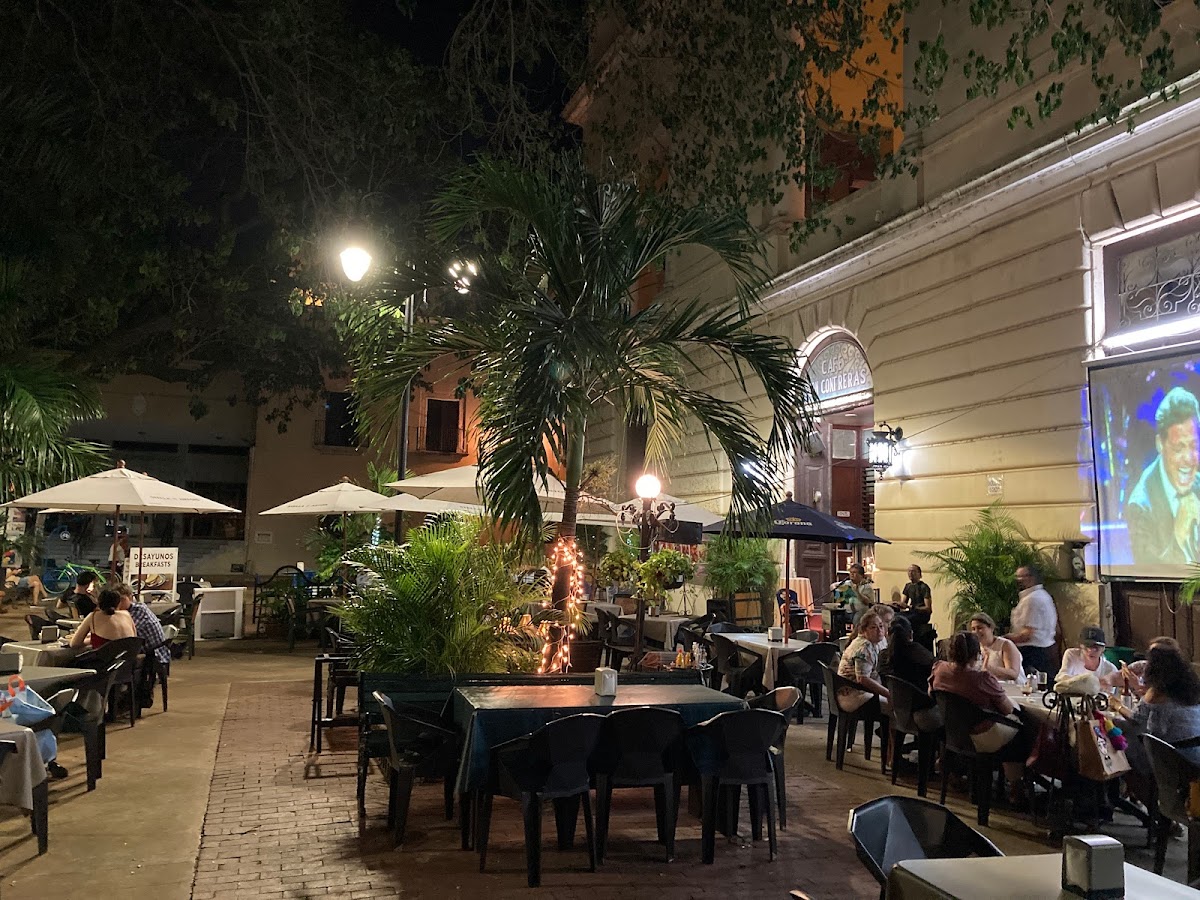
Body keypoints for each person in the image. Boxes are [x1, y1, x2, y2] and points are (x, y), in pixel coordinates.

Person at [931, 631, 1033, 802]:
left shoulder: (939, 669)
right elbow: (1007, 709)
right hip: (980, 735)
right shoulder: (982, 678)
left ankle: (958, 770)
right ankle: (1017, 788)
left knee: (1011, 731)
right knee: (1024, 733)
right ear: (976, 654)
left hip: (953, 732)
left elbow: (932, 693)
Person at [1125, 386, 1200, 566]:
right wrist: (1178, 537)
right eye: (1178, 448)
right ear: (1160, 444)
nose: (1189, 459)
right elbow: (1148, 572)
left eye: (1194, 446)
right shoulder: (1140, 506)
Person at [1112, 645, 1200, 777]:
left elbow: (1136, 719)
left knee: (1120, 731)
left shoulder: (1156, 693)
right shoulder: (1192, 689)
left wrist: (1117, 706)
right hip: (1196, 759)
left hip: (1173, 763)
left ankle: (1122, 780)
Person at [114, 583, 170, 707]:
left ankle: (129, 700)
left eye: (122, 599)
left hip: (154, 654)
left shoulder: (138, 611)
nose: (119, 603)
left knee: (117, 664)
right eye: (117, 600)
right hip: (144, 650)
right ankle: (123, 699)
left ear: (130, 597)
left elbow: (126, 635)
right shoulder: (128, 611)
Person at [1005, 564, 1059, 674]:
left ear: (1031, 578)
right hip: (1044, 649)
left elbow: (1027, 634)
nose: (1017, 580)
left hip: (1033, 653)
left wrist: (1003, 640)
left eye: (1020, 577)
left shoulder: (1032, 599)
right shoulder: (1043, 595)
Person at [836, 611, 890, 713]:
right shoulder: (864, 647)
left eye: (881, 626)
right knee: (898, 706)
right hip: (853, 694)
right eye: (873, 627)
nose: (879, 630)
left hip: (866, 690)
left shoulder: (880, 641)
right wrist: (888, 694)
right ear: (864, 630)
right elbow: (863, 679)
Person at [67, 587, 137, 650]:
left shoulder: (93, 616)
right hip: (129, 657)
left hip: (106, 658)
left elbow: (74, 643)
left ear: (98, 602)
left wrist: (91, 641)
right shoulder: (126, 614)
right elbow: (134, 637)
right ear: (118, 603)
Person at [1058, 625, 1121, 689]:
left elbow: (1108, 693)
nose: (1090, 650)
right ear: (1081, 646)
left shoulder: (1110, 670)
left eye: (1096, 648)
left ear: (1103, 648)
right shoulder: (1072, 655)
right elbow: (1061, 678)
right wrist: (1094, 683)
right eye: (1087, 646)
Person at [879, 616, 934, 688]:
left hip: (892, 694)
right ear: (911, 634)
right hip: (922, 694)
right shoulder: (918, 652)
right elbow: (936, 667)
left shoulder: (883, 656)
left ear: (887, 635)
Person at [968, 611, 1022, 681]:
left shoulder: (1005, 644)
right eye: (973, 629)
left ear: (991, 628)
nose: (976, 632)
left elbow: (1013, 674)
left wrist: (989, 668)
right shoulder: (974, 647)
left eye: (980, 628)